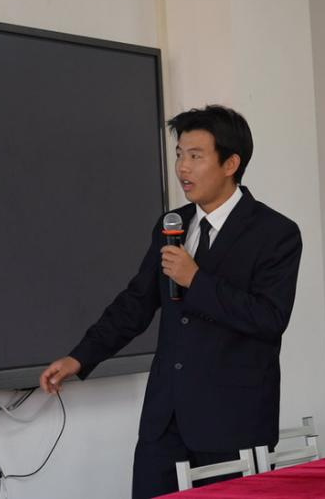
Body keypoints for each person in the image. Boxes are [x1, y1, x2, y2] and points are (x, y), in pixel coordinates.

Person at [38, 105, 302, 499]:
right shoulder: (171, 226)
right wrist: (81, 357)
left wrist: (196, 280)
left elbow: (269, 318)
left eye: (195, 156)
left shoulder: (276, 233)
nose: (182, 168)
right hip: (165, 422)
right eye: (179, 155)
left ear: (231, 163)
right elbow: (136, 303)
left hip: (234, 423)